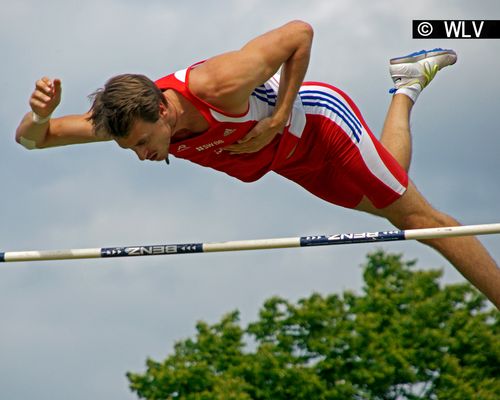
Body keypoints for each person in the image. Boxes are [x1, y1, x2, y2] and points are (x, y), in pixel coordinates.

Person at [15, 20, 500, 309]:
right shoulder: (125, 120)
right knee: (398, 197)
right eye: (132, 150)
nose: (142, 156)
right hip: (289, 162)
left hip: (322, 130)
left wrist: (283, 112)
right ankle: (407, 84)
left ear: (163, 109)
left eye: (143, 143)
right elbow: (33, 141)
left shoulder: (217, 84)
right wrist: (40, 114)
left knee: (424, 223)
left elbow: (299, 34)